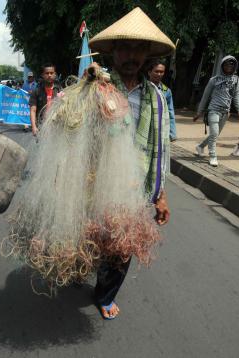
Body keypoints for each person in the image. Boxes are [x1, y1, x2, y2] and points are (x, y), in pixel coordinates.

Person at [88, 6, 172, 319]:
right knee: (92, 238)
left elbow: (162, 149)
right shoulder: (96, 89)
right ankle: (83, 267)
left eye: (139, 49)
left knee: (123, 246)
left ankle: (105, 294)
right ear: (114, 51)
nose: (132, 56)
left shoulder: (157, 97)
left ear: (148, 54)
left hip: (136, 187)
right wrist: (87, 88)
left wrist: (161, 194)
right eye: (125, 48)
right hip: (96, 181)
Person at [193, 56, 239, 167]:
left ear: (234, 66)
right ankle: (213, 156)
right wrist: (199, 112)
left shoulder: (236, 80)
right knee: (214, 134)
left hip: (225, 112)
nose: (229, 66)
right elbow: (205, 97)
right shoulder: (214, 80)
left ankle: (200, 146)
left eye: (231, 64)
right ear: (222, 65)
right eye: (226, 64)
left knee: (214, 135)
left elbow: (237, 95)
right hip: (213, 110)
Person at [148, 60, 177, 141]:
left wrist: (172, 133)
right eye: (156, 71)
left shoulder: (166, 91)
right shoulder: (142, 88)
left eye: (162, 72)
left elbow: (170, 112)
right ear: (149, 72)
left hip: (159, 127)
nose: (159, 74)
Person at [29, 64, 62, 136]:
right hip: (41, 127)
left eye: (51, 73)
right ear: (43, 75)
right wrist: (34, 127)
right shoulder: (36, 91)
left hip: (57, 128)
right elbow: (33, 110)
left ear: (55, 74)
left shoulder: (60, 90)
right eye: (47, 73)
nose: (49, 75)